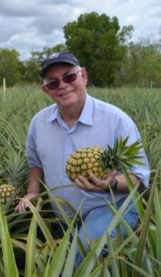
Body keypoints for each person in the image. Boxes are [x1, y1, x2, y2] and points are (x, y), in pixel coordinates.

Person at [15, 51, 150, 267]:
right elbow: (35, 164)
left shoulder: (116, 120)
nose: (63, 85)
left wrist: (111, 183)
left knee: (79, 253)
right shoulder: (39, 123)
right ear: (46, 90)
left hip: (111, 207)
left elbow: (139, 178)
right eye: (53, 82)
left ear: (83, 77)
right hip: (64, 216)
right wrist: (32, 192)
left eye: (69, 77)